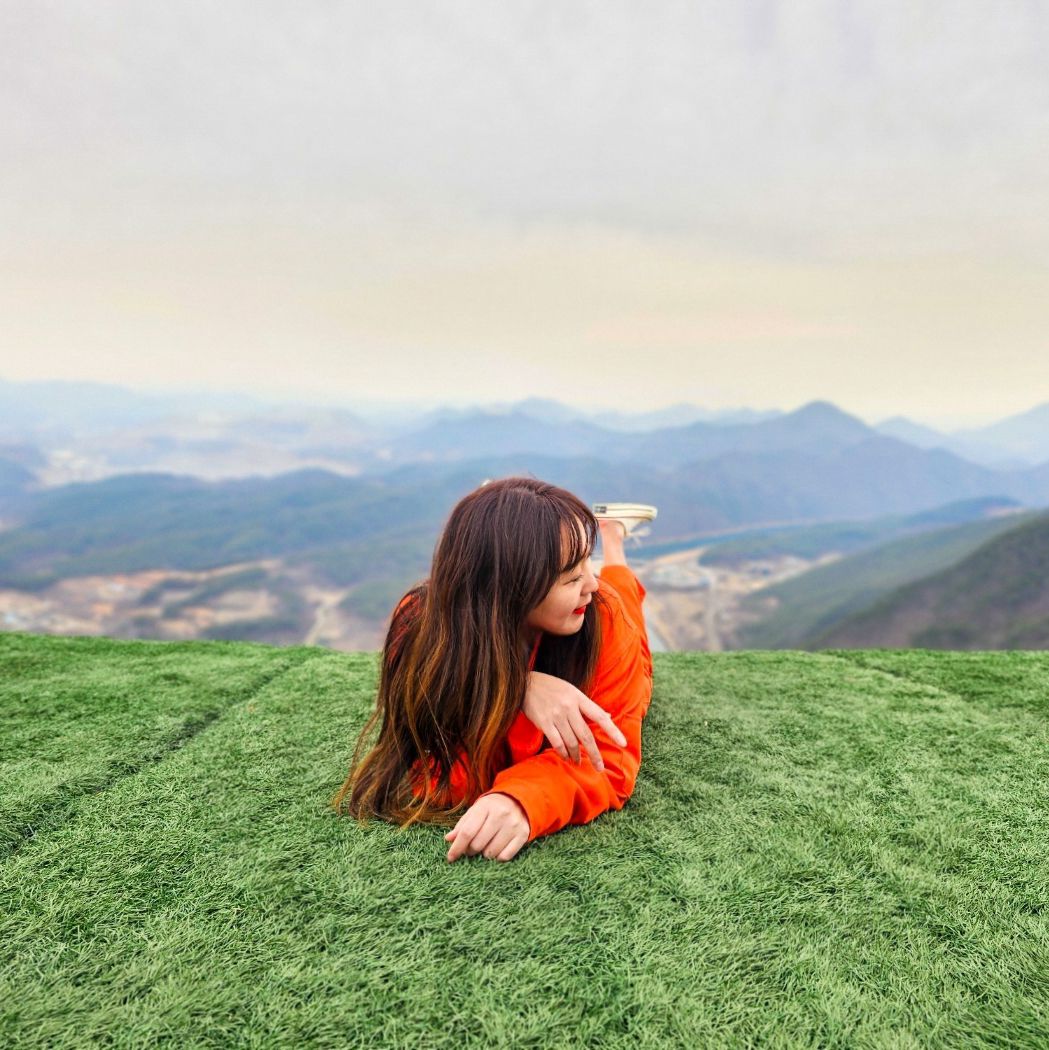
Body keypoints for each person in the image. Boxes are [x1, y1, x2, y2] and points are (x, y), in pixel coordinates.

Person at [331, 476, 655, 863]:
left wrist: (522, 798)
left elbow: (610, 761)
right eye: (571, 577)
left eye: (589, 560)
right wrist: (516, 686)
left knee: (621, 600)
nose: (590, 584)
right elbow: (430, 764)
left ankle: (612, 537)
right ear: (511, 588)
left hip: (614, 624)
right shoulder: (419, 623)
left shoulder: (604, 617)